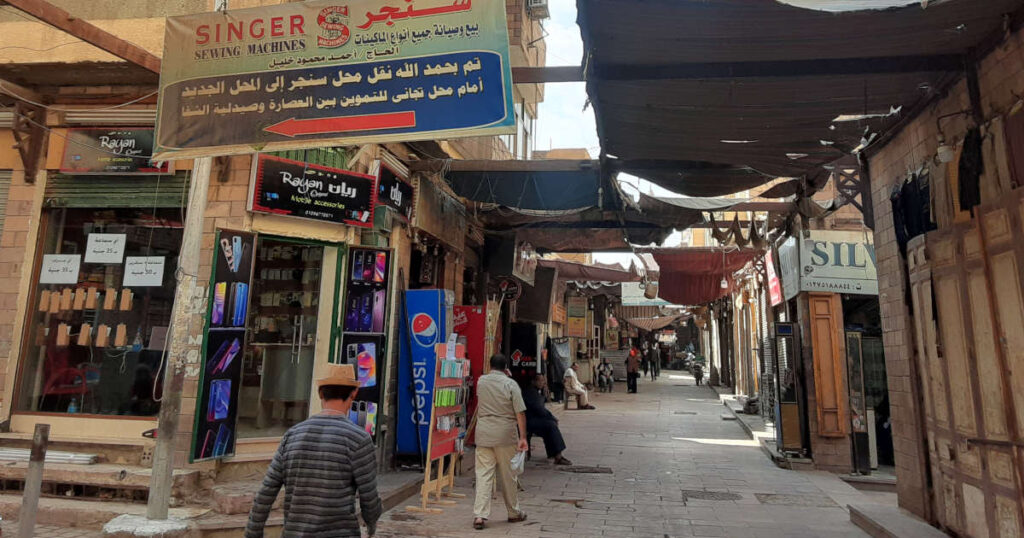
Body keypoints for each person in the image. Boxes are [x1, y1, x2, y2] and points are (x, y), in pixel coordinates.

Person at [246, 364, 381, 538]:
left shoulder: (292, 435)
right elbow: (369, 498)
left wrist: (253, 532)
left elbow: (266, 492)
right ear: (354, 393)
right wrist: (371, 525)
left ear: (320, 393)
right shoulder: (358, 439)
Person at [473, 354, 529, 531]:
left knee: (483, 474)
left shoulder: (481, 381)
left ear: (490, 366)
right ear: (506, 368)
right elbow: (520, 413)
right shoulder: (510, 384)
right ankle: (513, 512)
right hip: (505, 435)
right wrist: (523, 438)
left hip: (483, 433)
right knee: (508, 476)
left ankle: (480, 515)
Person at [522, 375, 573, 465]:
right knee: (551, 426)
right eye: (540, 381)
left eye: (544, 381)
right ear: (533, 382)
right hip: (528, 421)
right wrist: (552, 418)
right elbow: (539, 409)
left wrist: (545, 395)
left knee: (549, 426)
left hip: (533, 419)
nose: (543, 383)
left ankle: (553, 454)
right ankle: (558, 456)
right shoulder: (530, 392)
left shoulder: (537, 392)